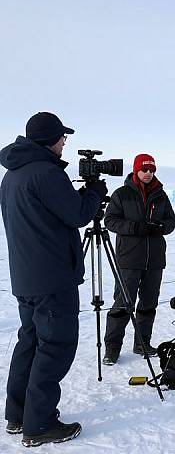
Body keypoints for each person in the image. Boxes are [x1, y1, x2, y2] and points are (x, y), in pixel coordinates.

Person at [0, 112, 107, 446]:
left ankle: (19, 415)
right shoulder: (46, 173)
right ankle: (40, 424)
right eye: (62, 138)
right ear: (50, 139)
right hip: (52, 279)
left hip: (26, 276)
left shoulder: (13, 175)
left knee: (30, 342)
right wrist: (94, 193)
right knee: (55, 347)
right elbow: (77, 214)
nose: (64, 143)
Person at [102, 154, 175, 365]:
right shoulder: (122, 194)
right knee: (122, 304)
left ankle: (142, 343)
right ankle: (112, 348)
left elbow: (172, 220)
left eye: (151, 170)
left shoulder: (160, 195)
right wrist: (134, 227)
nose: (148, 174)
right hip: (129, 259)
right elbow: (110, 220)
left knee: (148, 304)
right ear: (136, 170)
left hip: (154, 260)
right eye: (145, 170)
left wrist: (161, 227)